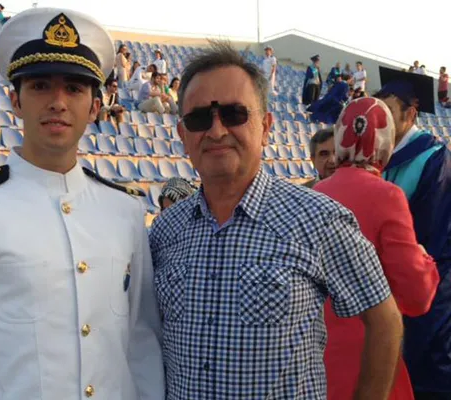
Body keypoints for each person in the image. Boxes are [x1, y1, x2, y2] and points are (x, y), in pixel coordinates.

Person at [0, 8, 164, 400]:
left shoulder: (125, 211)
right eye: (39, 86)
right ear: (16, 101)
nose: (57, 102)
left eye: (74, 88)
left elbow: (141, 340)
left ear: (94, 107)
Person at [150, 40, 403, 400]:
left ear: (266, 126)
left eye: (235, 114)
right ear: (182, 135)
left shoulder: (319, 219)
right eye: (199, 118)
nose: (217, 131)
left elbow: (385, 320)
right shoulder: (164, 231)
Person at [314, 97, 440, 400]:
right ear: (386, 143)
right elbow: (416, 297)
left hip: (316, 359)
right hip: (370, 357)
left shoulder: (314, 193)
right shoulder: (388, 196)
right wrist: (424, 258)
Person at [375, 66, 451, 400]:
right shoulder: (382, 155)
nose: (383, 122)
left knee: (426, 365)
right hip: (390, 277)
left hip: (430, 280)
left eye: (390, 113)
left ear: (411, 114)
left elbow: (432, 232)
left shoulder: (434, 157)